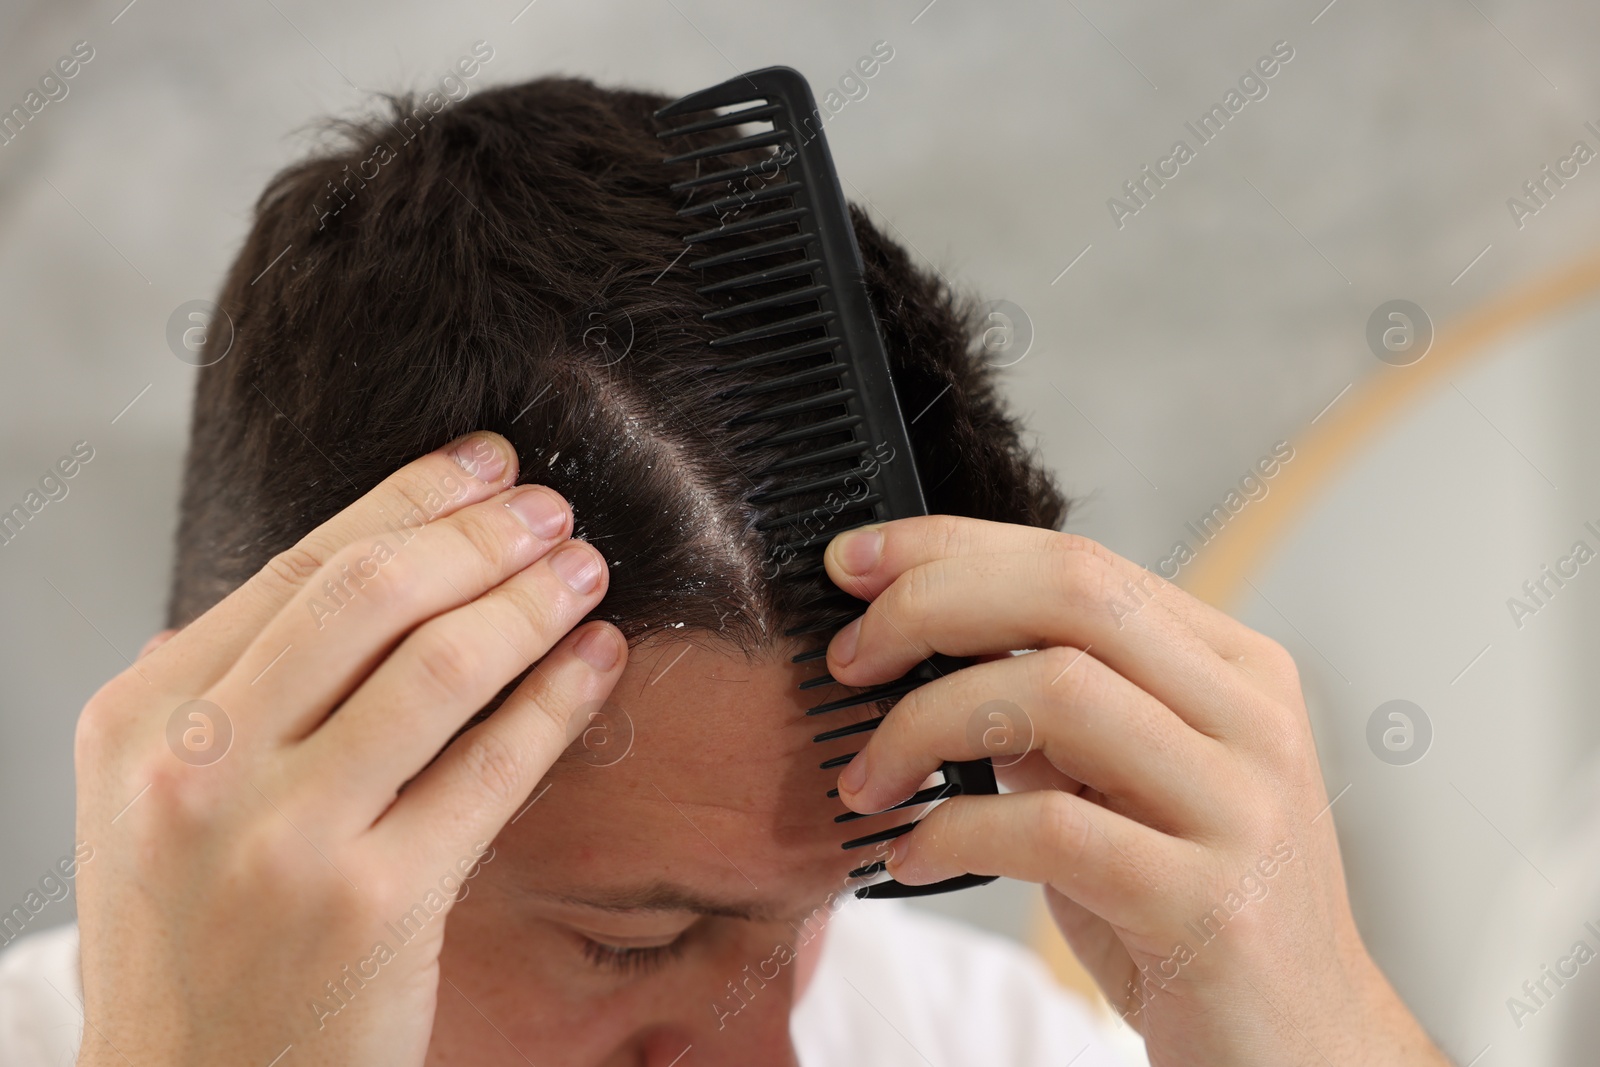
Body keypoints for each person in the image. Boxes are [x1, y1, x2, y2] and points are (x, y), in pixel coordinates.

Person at [0, 76, 1451, 1065]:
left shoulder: (972, 1044)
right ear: (230, 760)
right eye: (638, 939)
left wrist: (1335, 1034)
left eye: (809, 913)